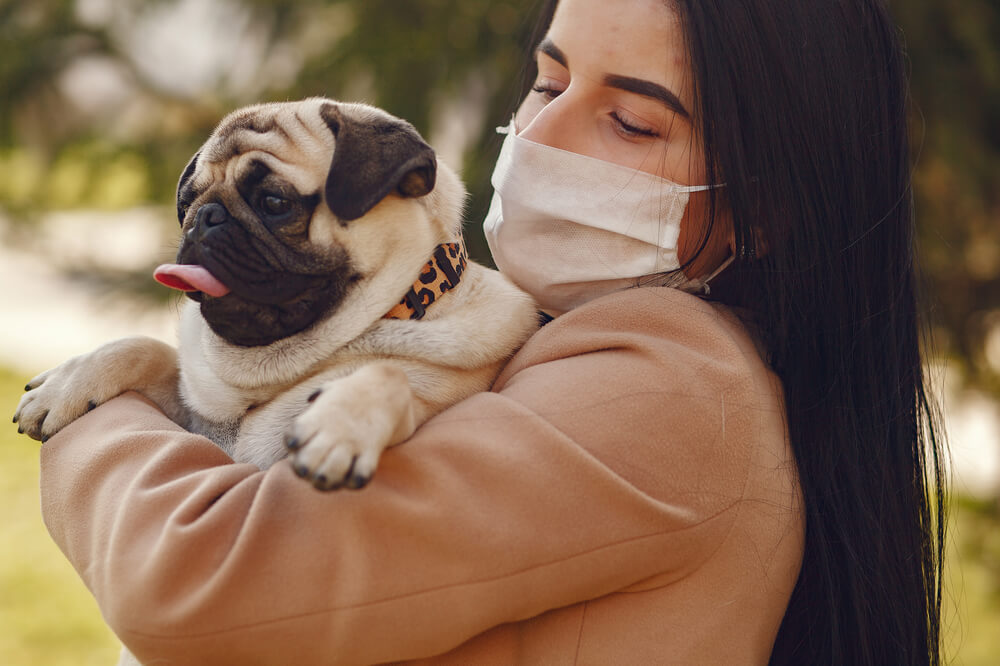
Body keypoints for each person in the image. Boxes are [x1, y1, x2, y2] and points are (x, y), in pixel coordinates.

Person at [36, 0, 946, 664]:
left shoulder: (668, 391)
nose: (544, 131)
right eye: (546, 80)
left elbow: (196, 584)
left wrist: (97, 411)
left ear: (767, 210)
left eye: (630, 121)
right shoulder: (579, 345)